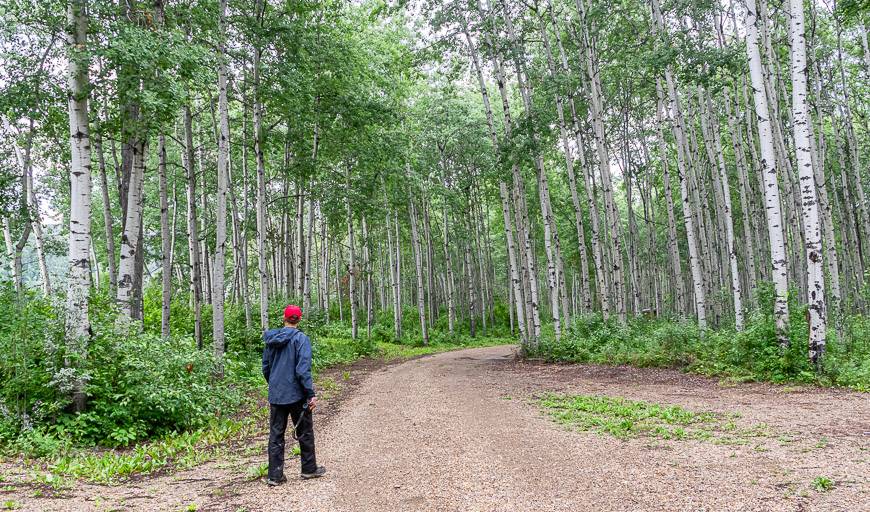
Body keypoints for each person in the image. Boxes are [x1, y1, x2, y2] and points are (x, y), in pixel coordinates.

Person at [262, 304, 326, 485]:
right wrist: (310, 393)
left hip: (277, 394)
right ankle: (309, 469)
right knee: (304, 431)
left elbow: (266, 367)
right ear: (299, 319)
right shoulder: (301, 339)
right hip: (297, 395)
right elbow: (302, 370)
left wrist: (275, 384)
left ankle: (274, 476)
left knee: (275, 434)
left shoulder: (271, 339)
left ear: (284, 318)